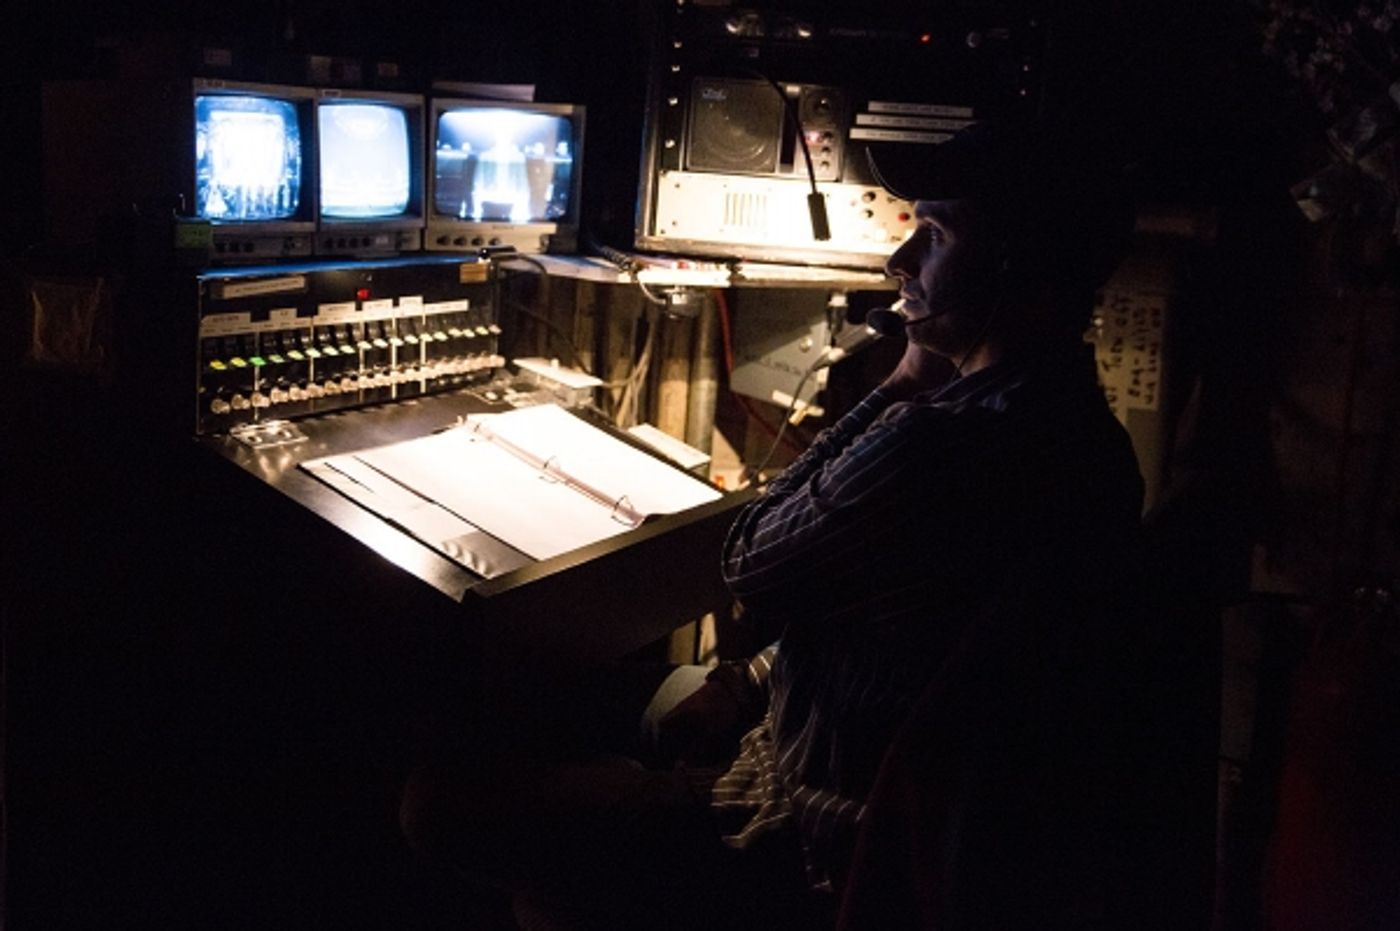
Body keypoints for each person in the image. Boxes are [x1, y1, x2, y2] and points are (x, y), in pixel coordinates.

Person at [400, 120, 1151, 930]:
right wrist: (740, 681)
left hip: (788, 830)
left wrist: (900, 382)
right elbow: (885, 640)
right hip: (867, 804)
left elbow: (747, 558)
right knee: (576, 732)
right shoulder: (1095, 442)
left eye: (932, 236)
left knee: (439, 801)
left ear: (1011, 268)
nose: (899, 264)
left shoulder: (934, 441)